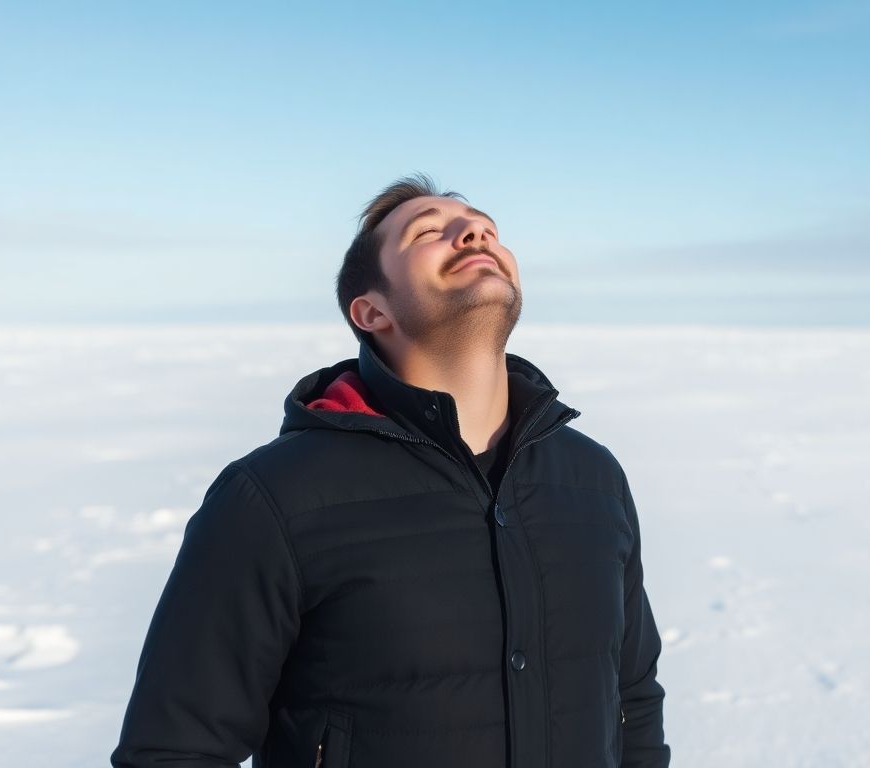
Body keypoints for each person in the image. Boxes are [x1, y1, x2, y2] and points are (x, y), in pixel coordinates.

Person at [110, 172, 671, 768]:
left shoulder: (591, 479)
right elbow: (175, 750)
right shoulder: (275, 497)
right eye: (430, 232)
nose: (474, 231)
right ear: (372, 310)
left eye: (485, 228)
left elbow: (632, 699)